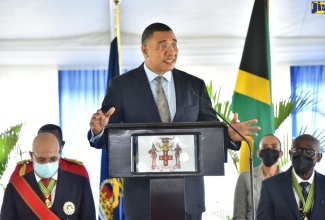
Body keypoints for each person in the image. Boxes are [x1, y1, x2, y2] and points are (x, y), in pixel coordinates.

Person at [87, 22, 260, 220]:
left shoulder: (194, 85)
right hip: (142, 200)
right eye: (163, 45)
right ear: (145, 50)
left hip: (189, 199)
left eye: (174, 45)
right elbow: (108, 134)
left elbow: (210, 131)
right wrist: (100, 131)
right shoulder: (122, 86)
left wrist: (227, 134)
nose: (171, 51)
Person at [1, 132, 96, 219]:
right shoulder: (15, 187)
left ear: (59, 154)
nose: (47, 163)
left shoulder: (79, 184)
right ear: (31, 156)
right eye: (41, 160)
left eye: (53, 159)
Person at [256, 134, 325, 219]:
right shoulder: (270, 185)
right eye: (297, 150)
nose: (302, 155)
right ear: (290, 154)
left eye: (309, 151)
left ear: (319, 157)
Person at [10, 124, 90, 182]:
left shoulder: (77, 170)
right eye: (43, 142)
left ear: (62, 145)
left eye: (53, 142)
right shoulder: (22, 170)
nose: (48, 146)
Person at [233, 134, 283, 220]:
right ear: (259, 153)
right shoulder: (245, 177)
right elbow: (239, 216)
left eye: (274, 147)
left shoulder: (288, 180)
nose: (269, 149)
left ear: (281, 154)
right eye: (264, 146)